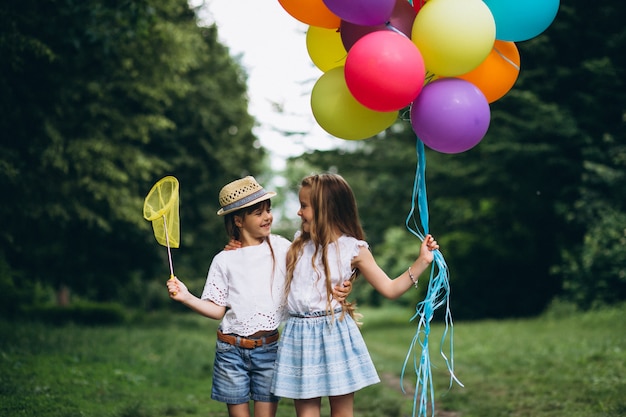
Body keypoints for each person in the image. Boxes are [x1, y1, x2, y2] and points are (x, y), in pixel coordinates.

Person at [166, 176, 350, 417]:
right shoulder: (224, 260)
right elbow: (217, 309)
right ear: (239, 220)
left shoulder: (283, 248)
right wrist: (187, 297)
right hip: (230, 352)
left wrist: (347, 280)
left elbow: (320, 262)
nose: (267, 217)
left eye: (268, 210)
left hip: (270, 349)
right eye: (258, 213)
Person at [270, 173, 439, 417]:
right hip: (299, 335)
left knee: (342, 411)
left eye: (304, 206)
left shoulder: (353, 248)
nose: (299, 212)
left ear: (325, 209)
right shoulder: (298, 244)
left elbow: (390, 289)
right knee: (306, 412)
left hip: (333, 332)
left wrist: (422, 261)